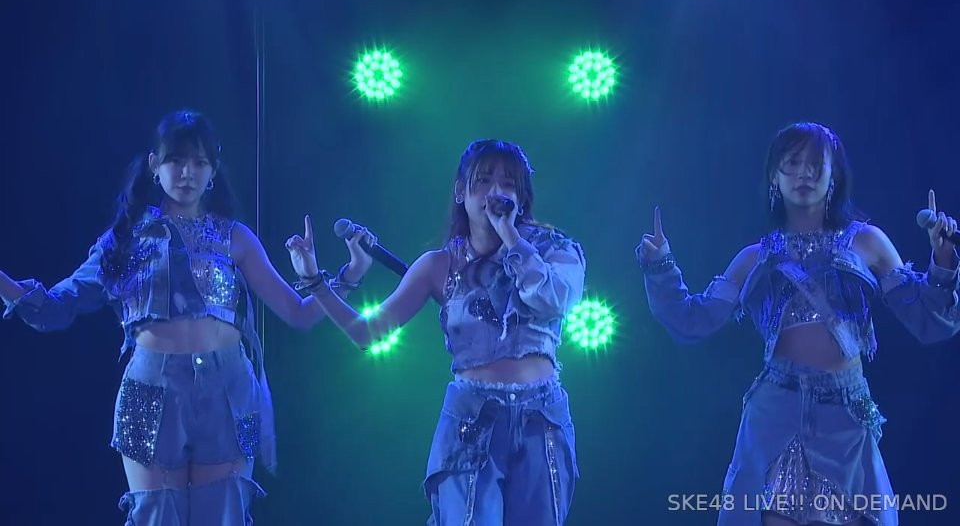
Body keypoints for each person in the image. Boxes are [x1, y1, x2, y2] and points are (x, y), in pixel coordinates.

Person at [0, 109, 376, 525]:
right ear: (154, 165)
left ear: (213, 169)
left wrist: (349, 274)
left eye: (199, 162)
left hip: (231, 391)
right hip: (150, 390)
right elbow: (56, 307)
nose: (187, 173)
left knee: (225, 514)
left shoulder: (234, 236)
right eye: (176, 160)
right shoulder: (123, 239)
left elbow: (298, 313)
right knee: (155, 515)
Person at [637, 122, 960, 526]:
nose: (803, 173)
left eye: (814, 164)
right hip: (776, 410)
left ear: (833, 175)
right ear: (774, 176)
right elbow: (691, 320)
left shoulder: (868, 242)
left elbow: (928, 319)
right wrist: (661, 265)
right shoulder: (754, 258)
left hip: (845, 413)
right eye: (791, 163)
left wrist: (943, 259)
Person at [285, 139, 586, 525]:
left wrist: (512, 238)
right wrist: (315, 282)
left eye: (508, 184)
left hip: (541, 418)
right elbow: (367, 333)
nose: (495, 192)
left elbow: (554, 299)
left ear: (521, 197)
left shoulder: (556, 250)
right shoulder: (438, 265)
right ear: (461, 191)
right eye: (483, 181)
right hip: (471, 419)